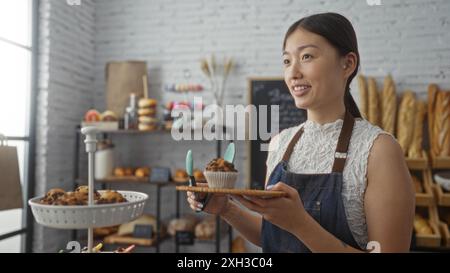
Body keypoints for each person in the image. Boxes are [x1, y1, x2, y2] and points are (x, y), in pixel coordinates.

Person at [187, 12, 414, 253]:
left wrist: (300, 223)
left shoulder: (379, 151)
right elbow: (272, 236)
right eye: (287, 61)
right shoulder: (279, 143)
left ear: (347, 63)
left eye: (306, 56)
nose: (293, 72)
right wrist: (226, 208)